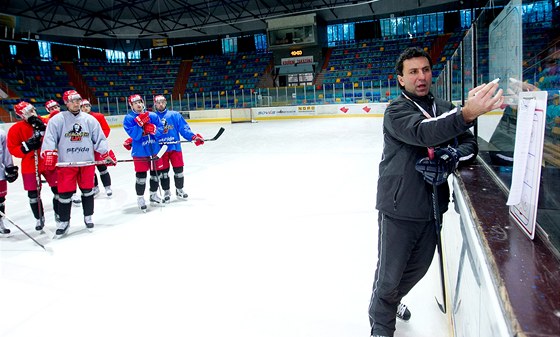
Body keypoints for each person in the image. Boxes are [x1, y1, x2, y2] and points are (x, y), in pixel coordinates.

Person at [368, 47, 503, 337]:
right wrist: (466, 113)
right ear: (401, 79)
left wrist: (451, 156)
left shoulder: (443, 108)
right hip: (399, 207)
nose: (421, 77)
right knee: (389, 278)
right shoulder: (396, 111)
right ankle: (381, 327)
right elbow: (424, 133)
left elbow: (470, 145)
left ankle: (390, 302)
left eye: (425, 70)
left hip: (431, 208)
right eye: (413, 72)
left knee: (417, 268)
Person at [40, 90, 115, 236]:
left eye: (78, 100)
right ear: (66, 103)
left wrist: (106, 154)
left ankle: (88, 216)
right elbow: (49, 139)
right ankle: (64, 221)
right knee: (65, 194)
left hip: (86, 162)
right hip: (67, 164)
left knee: (88, 191)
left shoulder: (89, 119)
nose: (76, 103)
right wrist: (49, 154)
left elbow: (99, 139)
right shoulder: (57, 120)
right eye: (72, 100)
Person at [7, 101, 59, 231]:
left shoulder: (47, 122)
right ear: (20, 116)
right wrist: (26, 147)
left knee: (58, 189)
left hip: (48, 159)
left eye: (32, 110)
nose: (31, 114)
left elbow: (58, 137)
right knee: (33, 194)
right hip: (30, 163)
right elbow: (13, 149)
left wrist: (43, 130)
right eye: (27, 113)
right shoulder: (16, 129)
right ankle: (39, 218)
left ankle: (59, 213)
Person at [152, 94, 204, 202]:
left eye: (162, 102)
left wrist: (193, 137)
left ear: (166, 103)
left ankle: (179, 189)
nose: (160, 104)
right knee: (164, 173)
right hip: (161, 150)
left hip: (175, 147)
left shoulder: (174, 115)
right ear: (155, 104)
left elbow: (184, 129)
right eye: (158, 102)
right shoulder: (152, 117)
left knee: (179, 170)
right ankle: (166, 191)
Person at [122, 94, 165, 211]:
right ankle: (140, 198)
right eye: (135, 103)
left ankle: (153, 194)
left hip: (154, 149)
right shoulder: (129, 118)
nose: (138, 104)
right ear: (131, 105)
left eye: (140, 102)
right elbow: (134, 135)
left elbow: (161, 129)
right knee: (141, 176)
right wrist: (140, 126)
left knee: (156, 174)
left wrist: (154, 130)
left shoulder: (153, 115)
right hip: (140, 151)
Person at [81, 99, 113, 197]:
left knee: (102, 167)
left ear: (90, 106)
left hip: (98, 147)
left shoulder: (98, 116)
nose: (85, 108)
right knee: (90, 169)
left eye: (87, 106)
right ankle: (95, 187)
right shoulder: (78, 119)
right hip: (85, 148)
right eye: (83, 106)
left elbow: (106, 129)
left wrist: (98, 141)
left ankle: (107, 187)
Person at [0, 128, 19, 234]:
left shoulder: (1, 133)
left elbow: (6, 153)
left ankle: (0, 222)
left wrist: (10, 167)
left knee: (0, 199)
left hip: (0, 174)